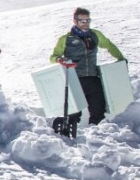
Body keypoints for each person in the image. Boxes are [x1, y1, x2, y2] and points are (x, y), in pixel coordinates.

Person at [49, 7, 126, 137]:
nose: (85, 23)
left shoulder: (95, 35)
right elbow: (53, 57)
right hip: (74, 79)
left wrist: (121, 58)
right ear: (75, 21)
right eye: (82, 20)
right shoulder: (65, 39)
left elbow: (109, 45)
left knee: (98, 110)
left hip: (92, 78)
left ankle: (97, 137)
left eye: (87, 20)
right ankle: (69, 138)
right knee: (74, 112)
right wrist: (59, 60)